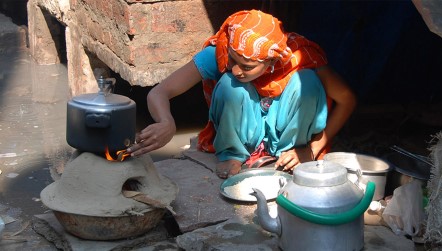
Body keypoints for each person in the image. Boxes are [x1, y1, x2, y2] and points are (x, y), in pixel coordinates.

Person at [127, 9, 356, 179]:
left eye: (247, 67)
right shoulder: (220, 53)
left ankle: (293, 151)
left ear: (272, 61)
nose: (236, 70)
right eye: (233, 60)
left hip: (286, 132)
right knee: (229, 84)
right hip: (246, 131)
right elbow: (160, 91)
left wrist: (314, 147)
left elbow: (347, 99)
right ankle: (233, 153)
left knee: (307, 82)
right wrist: (166, 121)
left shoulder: (298, 57)